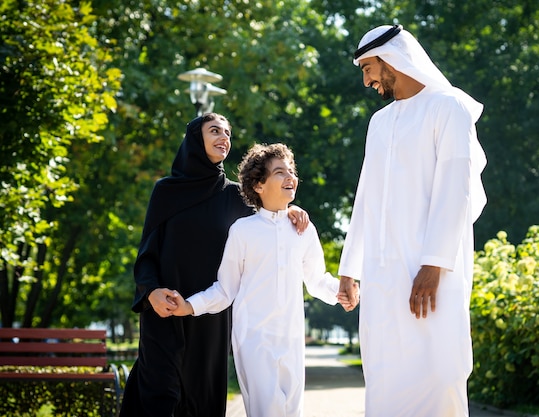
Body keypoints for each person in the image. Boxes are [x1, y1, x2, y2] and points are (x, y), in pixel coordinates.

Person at [338, 24, 488, 417]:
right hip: (382, 274)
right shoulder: (380, 122)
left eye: (368, 68)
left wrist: (433, 263)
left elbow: (456, 191)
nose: (367, 79)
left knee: (441, 372)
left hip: (433, 271)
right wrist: (349, 269)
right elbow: (365, 197)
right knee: (385, 373)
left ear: (392, 59)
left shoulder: (448, 108)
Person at [120, 114, 310, 417]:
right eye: (215, 131)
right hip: (164, 309)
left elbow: (272, 210)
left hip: (211, 316)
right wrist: (150, 292)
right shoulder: (166, 191)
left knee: (201, 397)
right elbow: (147, 254)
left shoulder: (236, 196)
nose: (224, 137)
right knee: (159, 394)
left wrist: (295, 211)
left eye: (228, 132)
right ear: (196, 138)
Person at [170, 143, 351, 417]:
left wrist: (342, 291)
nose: (290, 176)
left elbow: (316, 281)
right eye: (279, 172)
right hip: (253, 338)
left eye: (291, 171)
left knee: (292, 411)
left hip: (291, 337)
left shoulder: (304, 229)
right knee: (268, 411)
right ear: (258, 185)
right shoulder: (243, 231)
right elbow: (225, 289)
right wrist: (190, 306)